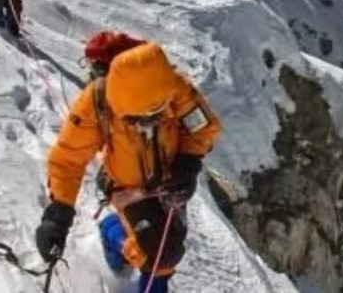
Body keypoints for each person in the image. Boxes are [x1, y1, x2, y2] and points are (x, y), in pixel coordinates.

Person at [35, 31, 222, 293]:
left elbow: (204, 127)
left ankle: (113, 234)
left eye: (157, 114)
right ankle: (119, 239)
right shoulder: (97, 101)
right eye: (137, 119)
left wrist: (188, 161)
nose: (150, 122)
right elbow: (68, 159)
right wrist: (57, 215)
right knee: (160, 255)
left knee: (169, 245)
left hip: (171, 179)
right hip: (126, 185)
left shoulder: (172, 86)